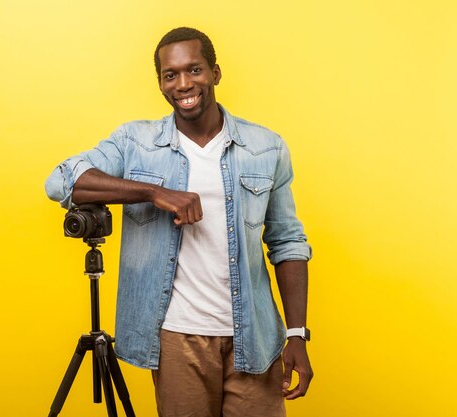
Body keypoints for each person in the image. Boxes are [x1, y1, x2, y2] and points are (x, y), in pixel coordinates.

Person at [45, 27, 313, 417]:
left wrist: (296, 335)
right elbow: (61, 181)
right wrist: (154, 193)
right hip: (177, 338)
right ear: (160, 83)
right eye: (171, 75)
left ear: (215, 73)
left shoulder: (266, 148)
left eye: (194, 70)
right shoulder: (135, 143)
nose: (183, 84)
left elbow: (288, 242)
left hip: (254, 337)